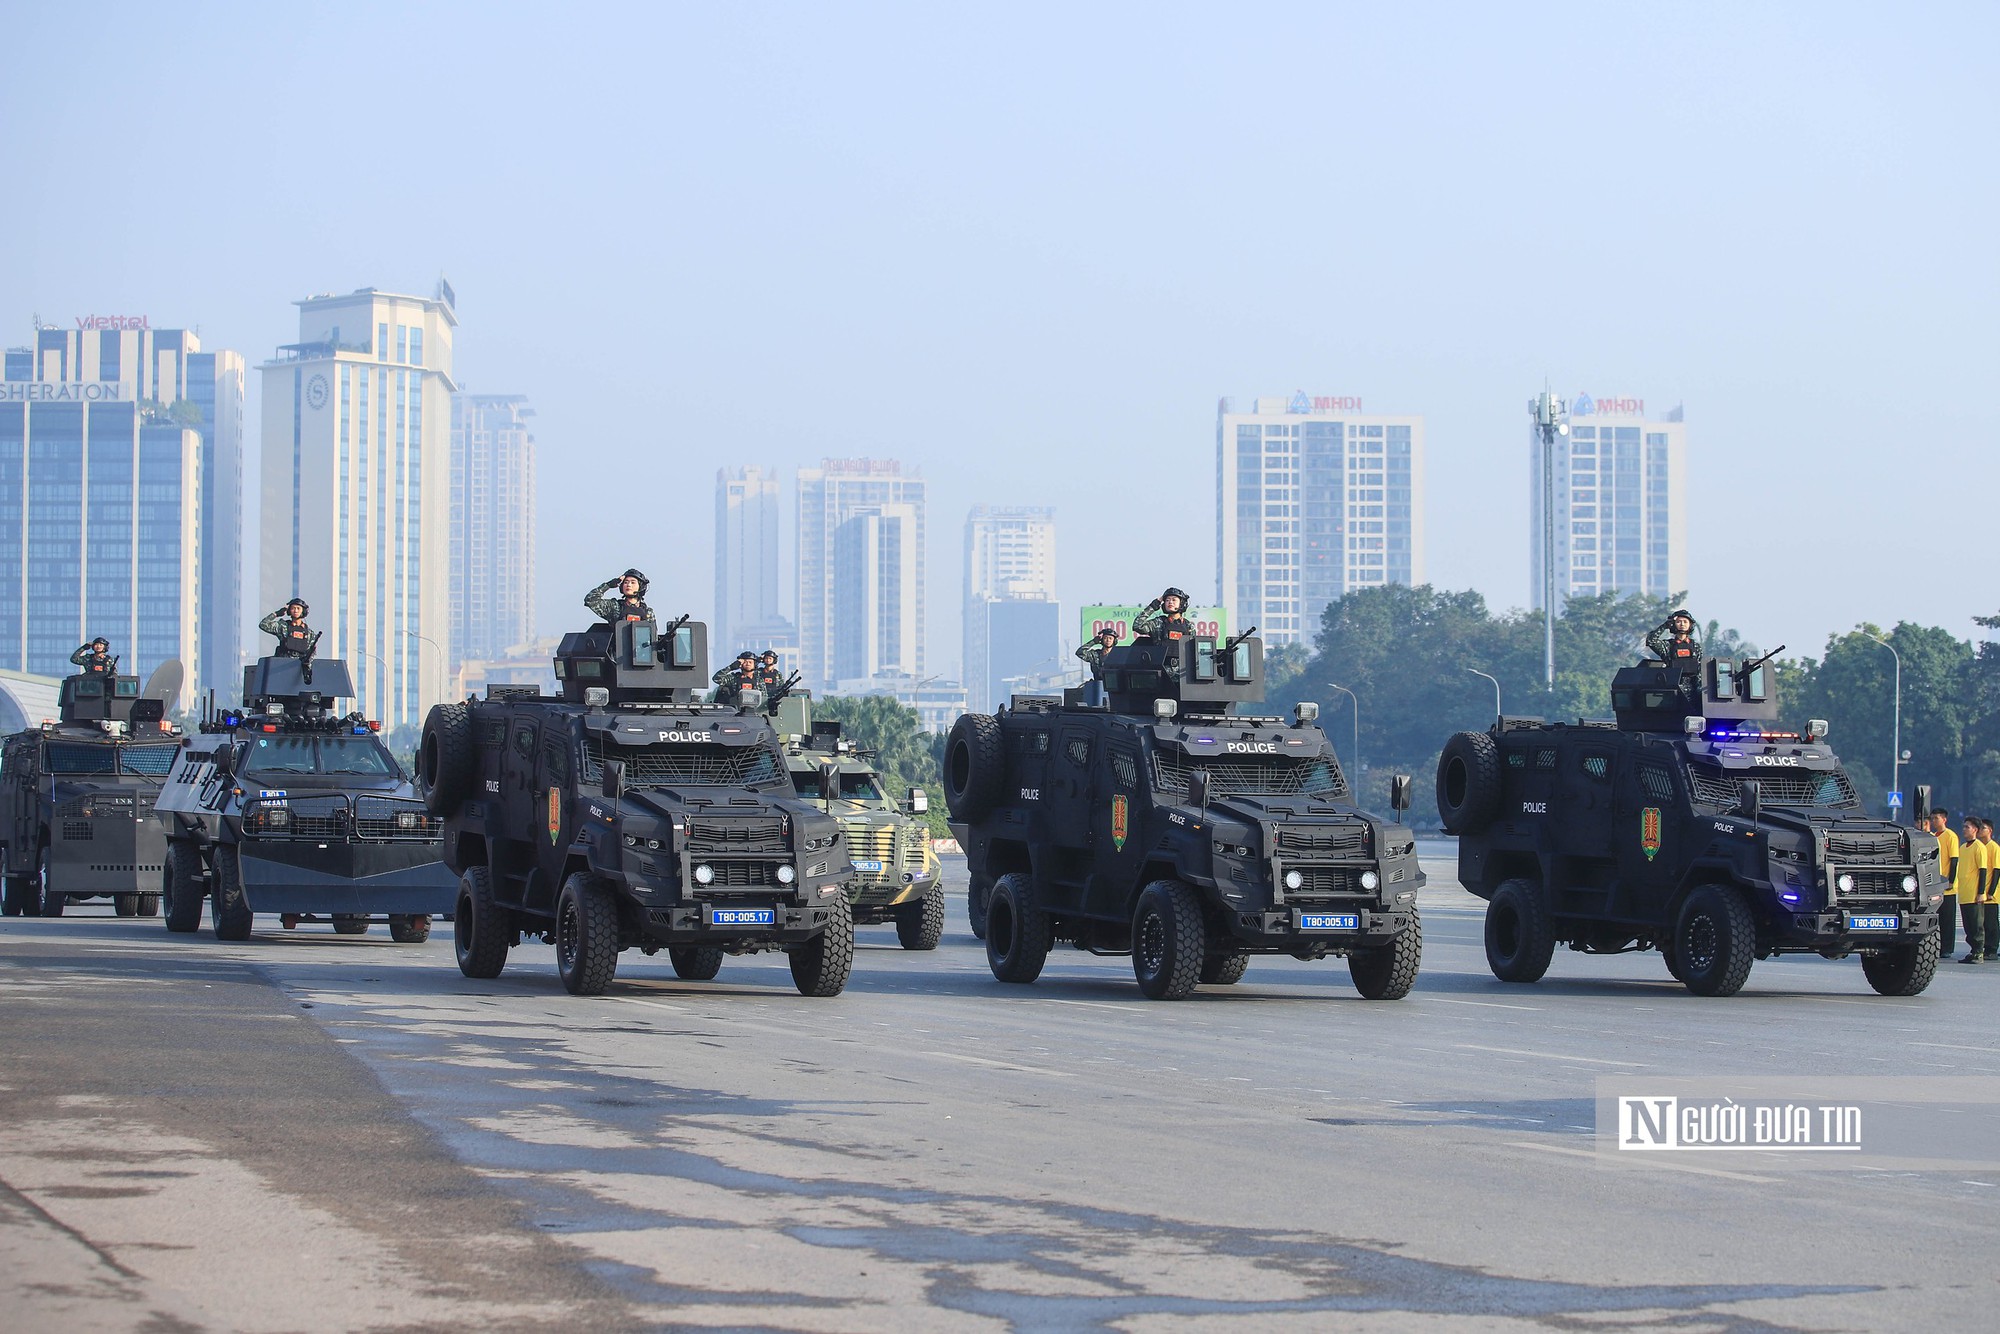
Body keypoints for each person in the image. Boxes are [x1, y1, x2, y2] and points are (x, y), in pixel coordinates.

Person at [1929, 808, 1959, 959]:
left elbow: (1954, 860)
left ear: (1944, 819)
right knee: (1938, 917)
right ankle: (1938, 946)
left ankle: (1948, 947)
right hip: (1935, 883)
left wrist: (1951, 880)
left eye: (1937, 818)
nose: (1934, 821)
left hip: (1947, 884)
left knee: (1948, 918)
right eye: (1932, 818)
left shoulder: (1951, 836)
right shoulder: (1933, 836)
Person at [1956, 815, 1986, 963]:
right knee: (1968, 925)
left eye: (1967, 827)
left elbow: (1983, 871)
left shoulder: (1979, 847)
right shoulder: (1963, 847)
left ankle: (1979, 952)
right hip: (1964, 893)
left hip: (1974, 894)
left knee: (1976, 925)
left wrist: (1981, 892)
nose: (1964, 830)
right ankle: (1973, 950)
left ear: (1975, 829)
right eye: (1964, 827)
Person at [1644, 609, 1703, 677]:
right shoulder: (1668, 646)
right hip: (1671, 683)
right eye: (1678, 622)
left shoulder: (1696, 646)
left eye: (1685, 622)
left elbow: (1699, 670)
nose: (1682, 624)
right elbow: (1651, 641)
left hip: (1691, 685)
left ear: (1690, 625)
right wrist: (1665, 626)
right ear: (1673, 624)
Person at [584, 569, 653, 623]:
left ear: (640, 587)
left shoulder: (648, 612)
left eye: (633, 582)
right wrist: (608, 585)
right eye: (625, 582)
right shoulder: (614, 607)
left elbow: (653, 634)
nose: (629, 585)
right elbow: (590, 600)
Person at [1982, 818, 1999, 962]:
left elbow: (1996, 871)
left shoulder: (1994, 847)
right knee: (1983, 922)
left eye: (1983, 828)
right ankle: (1985, 947)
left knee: (1991, 922)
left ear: (1990, 831)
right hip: (1981, 891)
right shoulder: (1980, 846)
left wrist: (1991, 891)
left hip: (1991, 892)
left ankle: (1992, 948)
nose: (1980, 830)